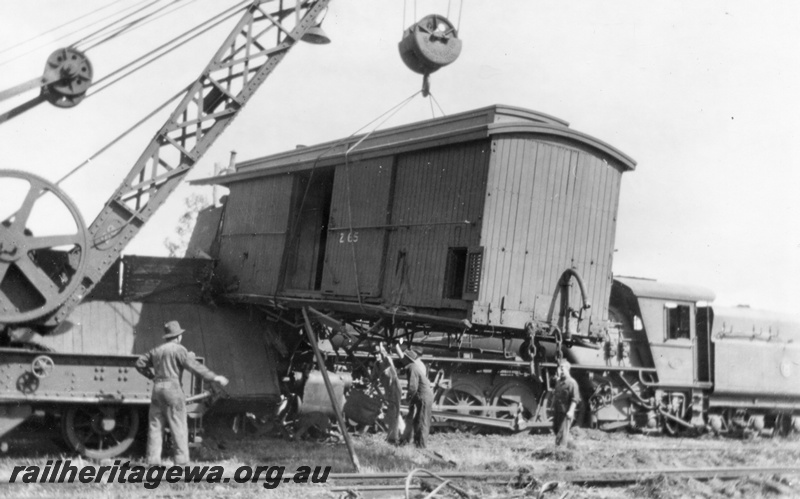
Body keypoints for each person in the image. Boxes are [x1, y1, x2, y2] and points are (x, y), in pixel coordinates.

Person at [136, 320, 229, 465]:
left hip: (157, 389)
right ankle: (181, 462)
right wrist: (214, 377)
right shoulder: (179, 350)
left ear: (167, 337)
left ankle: (152, 461)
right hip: (173, 389)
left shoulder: (157, 350)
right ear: (178, 337)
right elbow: (195, 367)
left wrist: (151, 376)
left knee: (155, 426)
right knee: (178, 424)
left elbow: (139, 363)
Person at [396, 344, 433, 448]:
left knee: (422, 420)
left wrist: (408, 399)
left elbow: (412, 387)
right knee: (417, 419)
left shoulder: (412, 368)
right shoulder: (416, 366)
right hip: (422, 395)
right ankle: (413, 442)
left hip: (423, 396)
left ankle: (421, 445)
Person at [374, 343, 402, 444]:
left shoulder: (388, 361)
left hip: (394, 389)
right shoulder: (376, 365)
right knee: (391, 413)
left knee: (394, 413)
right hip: (388, 391)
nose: (376, 356)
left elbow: (386, 356)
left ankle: (394, 438)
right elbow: (373, 378)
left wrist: (381, 346)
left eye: (378, 354)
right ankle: (396, 434)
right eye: (375, 354)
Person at [552, 360, 580, 447]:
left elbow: (575, 399)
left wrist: (571, 411)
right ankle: (570, 446)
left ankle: (561, 451)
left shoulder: (571, 383)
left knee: (562, 433)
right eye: (559, 369)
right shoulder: (559, 382)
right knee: (556, 430)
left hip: (565, 412)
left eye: (562, 368)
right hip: (558, 411)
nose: (560, 371)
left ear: (567, 369)